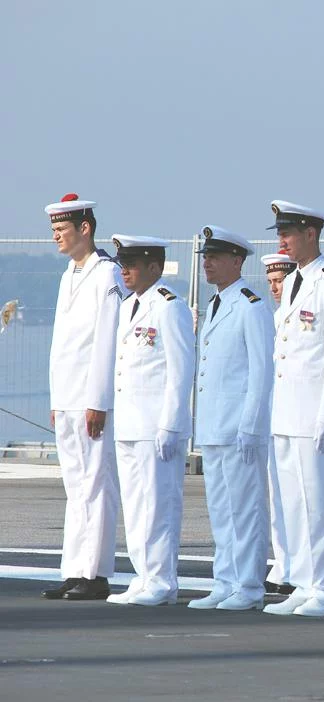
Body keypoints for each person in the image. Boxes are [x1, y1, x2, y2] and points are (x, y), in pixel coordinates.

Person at [264, 200, 324, 618]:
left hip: (313, 415)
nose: (282, 239)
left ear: (311, 234)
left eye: (288, 232)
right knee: (293, 504)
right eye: (280, 232)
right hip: (286, 413)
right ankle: (303, 581)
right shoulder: (297, 283)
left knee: (318, 504)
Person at [187, 227, 275, 611]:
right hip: (214, 425)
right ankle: (225, 581)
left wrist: (252, 425)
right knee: (221, 511)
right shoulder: (219, 303)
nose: (207, 262)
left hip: (238, 425)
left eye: (215, 256)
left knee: (245, 510)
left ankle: (250, 585)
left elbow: (261, 372)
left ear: (237, 261)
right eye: (206, 256)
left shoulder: (251, 305)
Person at [43, 193, 123, 601]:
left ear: (85, 228)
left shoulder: (107, 274)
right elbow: (63, 344)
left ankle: (96, 572)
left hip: (90, 398)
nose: (56, 237)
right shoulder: (70, 275)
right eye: (54, 230)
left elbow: (106, 341)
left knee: (96, 482)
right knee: (75, 485)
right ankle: (75, 567)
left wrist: (98, 399)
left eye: (62, 230)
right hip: (69, 396)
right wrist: (58, 400)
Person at [107, 235, 195, 606]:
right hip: (129, 422)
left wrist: (172, 424)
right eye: (123, 263)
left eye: (133, 263)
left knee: (158, 504)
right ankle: (143, 576)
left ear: (155, 268)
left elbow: (180, 368)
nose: (125, 269)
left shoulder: (168, 306)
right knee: (136, 505)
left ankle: (161, 580)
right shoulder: (129, 305)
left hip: (156, 424)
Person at [259, 251, 297, 596]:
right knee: (279, 497)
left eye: (279, 281)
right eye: (270, 282)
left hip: (295, 415)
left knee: (298, 498)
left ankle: (294, 566)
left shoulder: (298, 314)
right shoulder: (274, 317)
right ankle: (282, 561)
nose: (274, 288)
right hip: (275, 414)